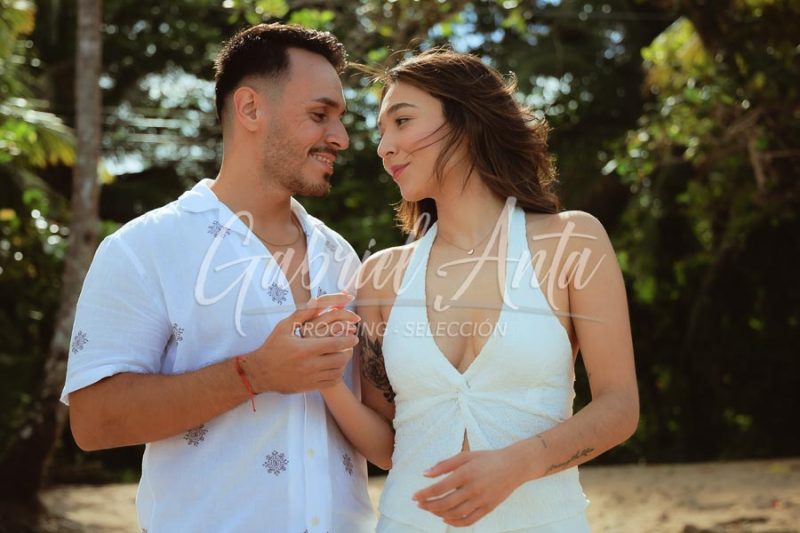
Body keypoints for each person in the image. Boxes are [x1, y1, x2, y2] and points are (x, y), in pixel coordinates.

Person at [61, 23, 376, 532]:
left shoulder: (342, 256)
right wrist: (255, 373)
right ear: (250, 109)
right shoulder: (145, 248)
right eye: (320, 116)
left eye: (340, 119)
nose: (339, 137)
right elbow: (94, 421)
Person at [319, 49, 640, 532]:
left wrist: (519, 464)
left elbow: (619, 407)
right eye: (381, 133)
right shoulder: (381, 276)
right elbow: (390, 445)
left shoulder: (571, 242)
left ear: (466, 121)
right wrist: (325, 383)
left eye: (402, 121)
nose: (384, 147)